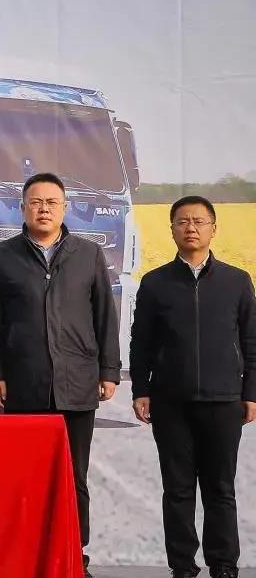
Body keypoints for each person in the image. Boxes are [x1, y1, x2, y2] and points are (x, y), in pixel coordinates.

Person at [0, 172, 120, 577]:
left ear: (65, 208)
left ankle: (76, 556)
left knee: (75, 476)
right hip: (24, 383)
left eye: (52, 202)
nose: (44, 209)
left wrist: (109, 370)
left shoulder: (88, 254)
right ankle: (29, 557)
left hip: (77, 381)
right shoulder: (1, 256)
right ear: (22, 208)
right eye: (36, 202)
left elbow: (104, 317)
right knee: (26, 477)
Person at [130, 196, 255, 578]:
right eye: (182, 221)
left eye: (199, 221)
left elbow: (251, 341)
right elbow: (141, 343)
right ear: (171, 229)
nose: (191, 227)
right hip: (171, 403)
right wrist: (140, 389)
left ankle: (224, 564)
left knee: (220, 489)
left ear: (214, 228)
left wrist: (250, 393)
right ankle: (182, 565)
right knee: (178, 489)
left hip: (223, 401)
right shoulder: (155, 283)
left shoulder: (237, 282)